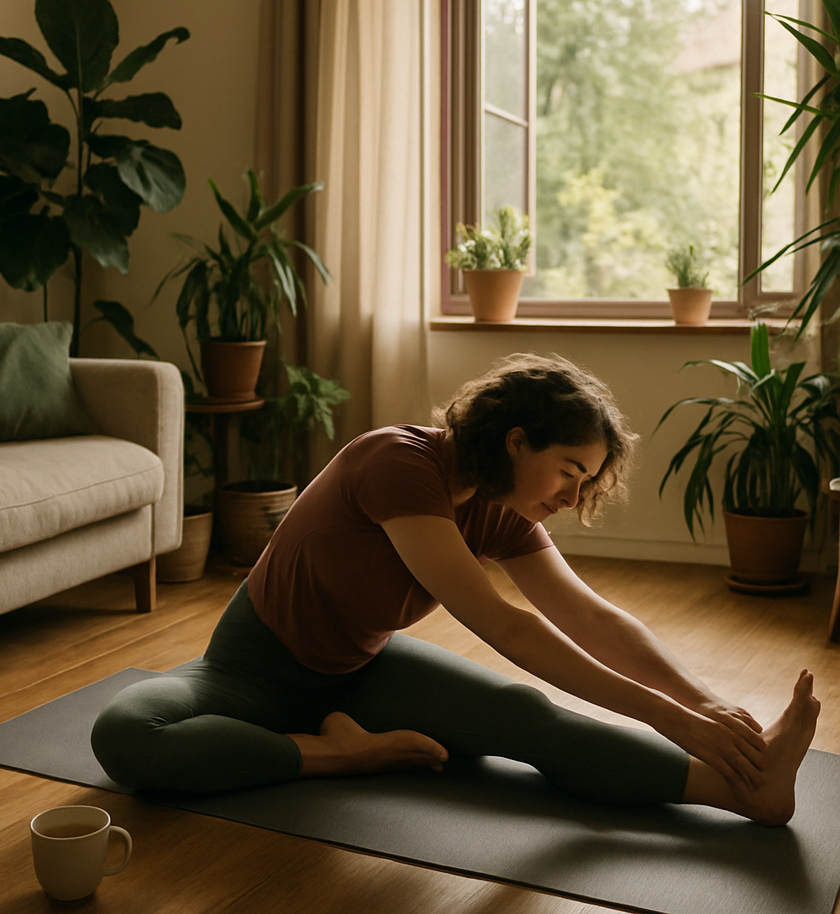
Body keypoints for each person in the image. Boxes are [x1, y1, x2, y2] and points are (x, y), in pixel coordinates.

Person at [91, 354, 819, 826]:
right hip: (249, 673)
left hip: (359, 673)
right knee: (125, 735)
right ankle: (339, 754)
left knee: (528, 717)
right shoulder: (398, 463)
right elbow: (506, 625)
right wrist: (672, 719)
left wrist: (704, 707)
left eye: (587, 481)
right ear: (516, 440)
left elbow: (588, 617)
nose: (573, 494)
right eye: (569, 469)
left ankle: (743, 793)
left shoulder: (499, 509)